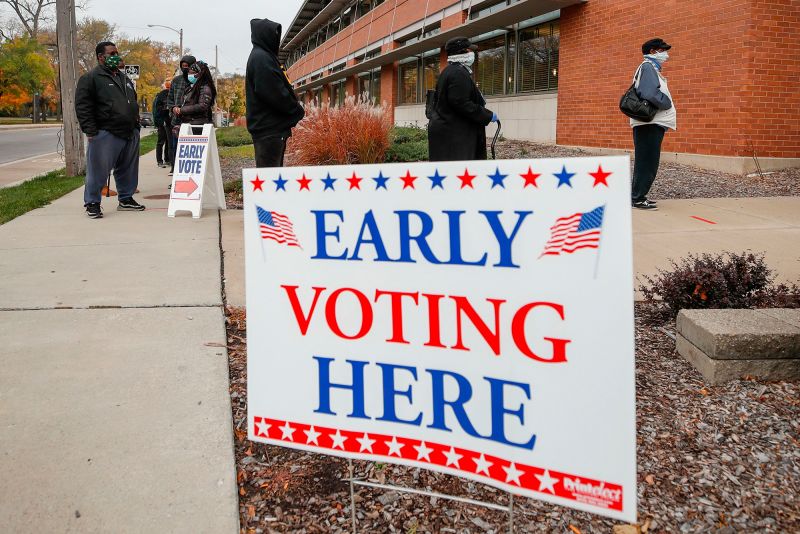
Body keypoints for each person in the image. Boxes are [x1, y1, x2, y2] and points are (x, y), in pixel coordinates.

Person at [75, 41, 145, 218]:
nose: (116, 56)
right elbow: (83, 106)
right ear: (101, 57)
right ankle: (92, 202)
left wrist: (136, 125)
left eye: (117, 53)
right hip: (105, 132)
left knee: (128, 168)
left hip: (129, 131)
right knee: (98, 170)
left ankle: (126, 199)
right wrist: (90, 131)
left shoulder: (124, 78)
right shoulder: (90, 78)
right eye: (112, 54)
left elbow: (132, 101)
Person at [245, 18, 305, 167]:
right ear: (264, 36)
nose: (276, 40)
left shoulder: (262, 56)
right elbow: (274, 92)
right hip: (269, 131)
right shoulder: (261, 58)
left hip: (269, 130)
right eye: (273, 35)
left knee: (271, 177)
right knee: (269, 180)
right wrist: (296, 110)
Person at [428, 36, 496, 161]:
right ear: (461, 52)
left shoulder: (449, 71)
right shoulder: (458, 73)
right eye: (470, 50)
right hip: (455, 135)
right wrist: (487, 115)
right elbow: (461, 102)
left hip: (450, 132)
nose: (472, 54)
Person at [630, 38, 676, 211]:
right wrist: (667, 103)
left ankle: (638, 196)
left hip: (650, 124)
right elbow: (649, 92)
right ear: (652, 52)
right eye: (661, 50)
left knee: (647, 161)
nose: (665, 53)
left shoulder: (652, 68)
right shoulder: (648, 67)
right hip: (648, 124)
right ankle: (638, 199)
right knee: (647, 162)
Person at [166, 54, 196, 175]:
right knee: (175, 149)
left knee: (190, 151)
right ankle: (176, 174)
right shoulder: (176, 80)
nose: (185, 69)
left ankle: (190, 176)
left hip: (193, 121)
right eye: (183, 66)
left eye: (187, 66)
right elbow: (170, 98)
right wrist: (173, 108)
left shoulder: (197, 80)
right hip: (177, 121)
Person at [172, 61, 216, 133]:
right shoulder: (190, 87)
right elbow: (185, 102)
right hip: (188, 125)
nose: (189, 75)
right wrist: (176, 108)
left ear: (199, 74)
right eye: (189, 72)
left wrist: (182, 110)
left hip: (197, 127)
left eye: (192, 73)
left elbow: (202, 106)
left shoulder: (205, 88)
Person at [153, 81, 171, 168]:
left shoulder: (160, 95)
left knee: (164, 141)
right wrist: (160, 121)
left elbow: (156, 110)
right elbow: (157, 110)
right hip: (164, 121)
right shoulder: (162, 95)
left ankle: (164, 160)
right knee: (163, 141)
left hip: (165, 121)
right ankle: (162, 160)